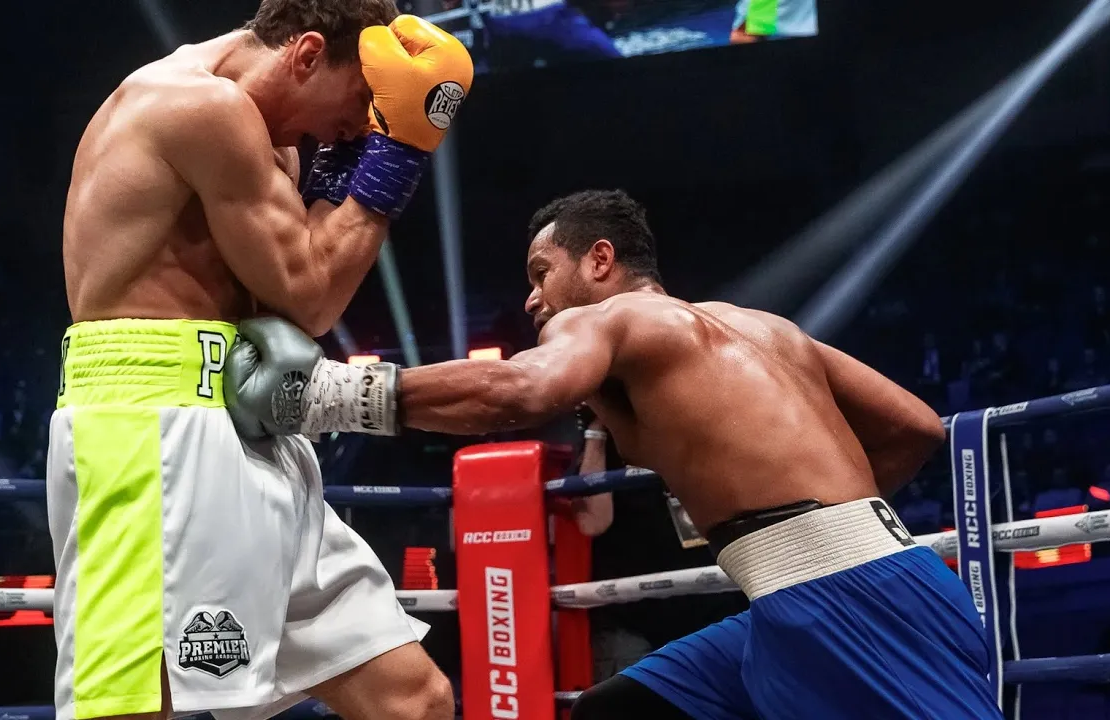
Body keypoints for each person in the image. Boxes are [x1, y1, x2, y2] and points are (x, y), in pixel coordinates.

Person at [226, 189, 1002, 719]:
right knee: (619, 709)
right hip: (817, 595)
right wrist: (821, 524)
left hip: (854, 607)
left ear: (600, 260)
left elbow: (517, 392)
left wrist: (327, 394)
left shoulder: (610, 321)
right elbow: (916, 428)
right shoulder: (766, 327)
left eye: (542, 274)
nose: (532, 299)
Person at [50, 0, 472, 718]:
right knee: (132, 708)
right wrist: (396, 156)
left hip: (251, 424)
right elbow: (314, 295)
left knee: (414, 700)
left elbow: (289, 302)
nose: (361, 126)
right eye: (360, 103)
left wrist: (345, 163)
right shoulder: (198, 107)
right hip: (151, 426)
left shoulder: (274, 141)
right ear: (306, 54)